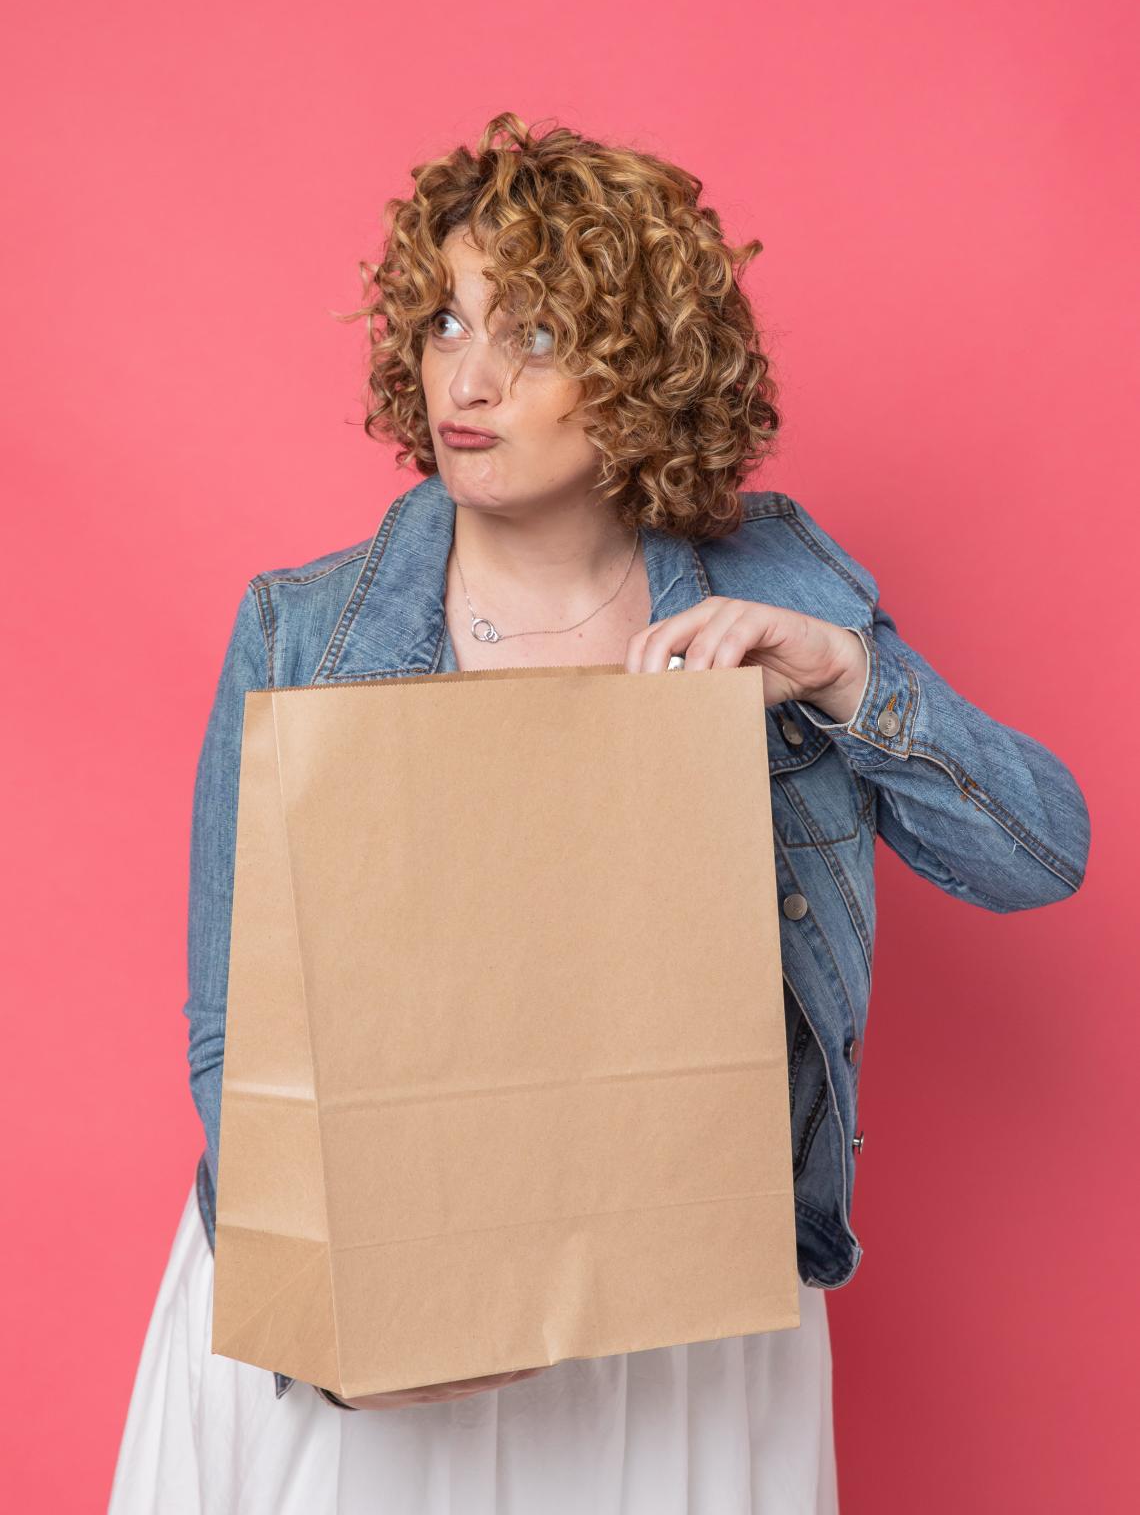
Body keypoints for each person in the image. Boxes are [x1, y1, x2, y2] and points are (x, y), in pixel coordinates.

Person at [108, 113, 1090, 1514]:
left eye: (541, 337)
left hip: (676, 1320)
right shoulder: (304, 628)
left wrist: (850, 679)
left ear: (648, 367)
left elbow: (1040, 854)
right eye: (446, 322)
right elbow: (231, 1027)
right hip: (372, 1317)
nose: (474, 374)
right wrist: (334, 1326)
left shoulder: (784, 600)